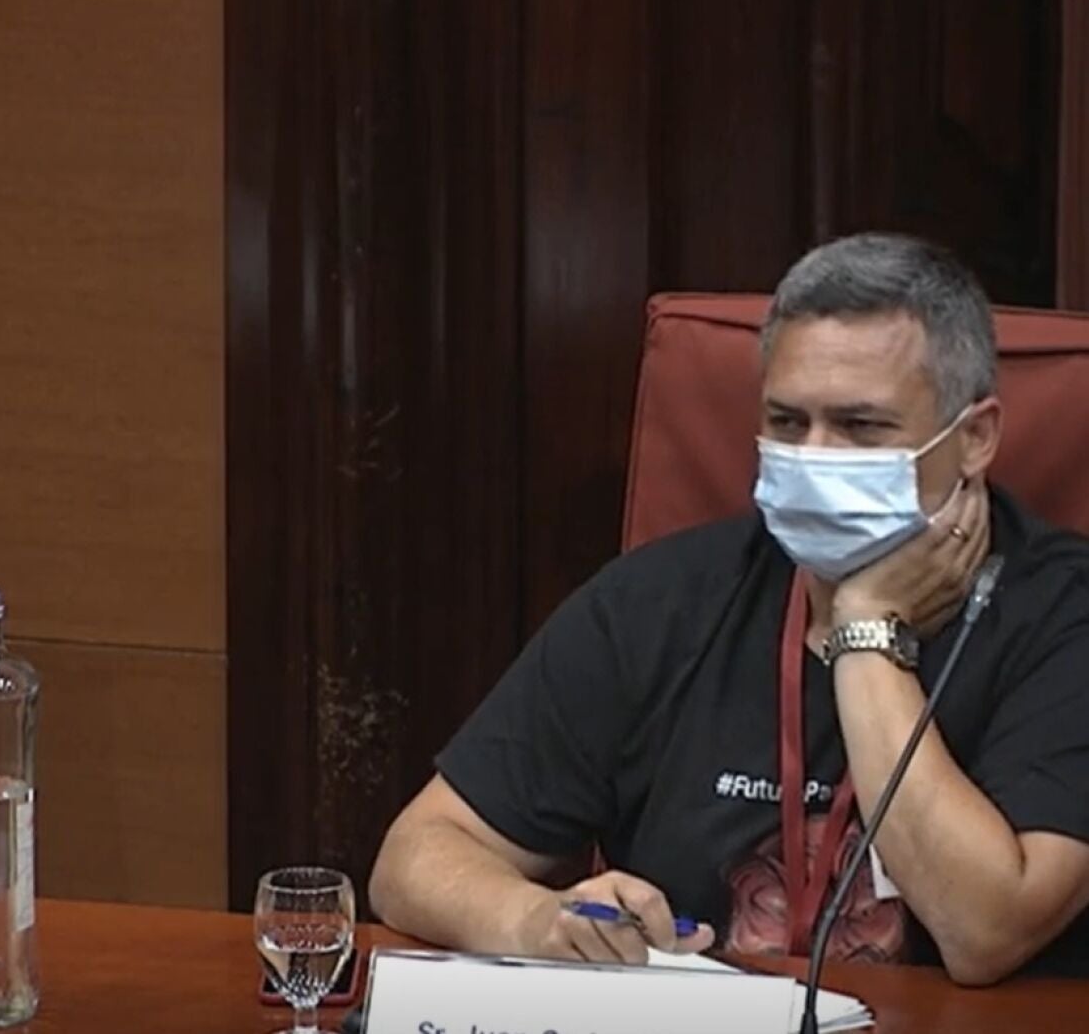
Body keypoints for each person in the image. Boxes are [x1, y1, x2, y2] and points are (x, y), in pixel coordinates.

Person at [369, 233, 1089, 985]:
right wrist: (539, 921)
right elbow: (414, 856)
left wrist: (866, 627)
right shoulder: (659, 601)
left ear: (974, 438)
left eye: (860, 426)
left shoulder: (1065, 616)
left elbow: (985, 932)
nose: (815, 455)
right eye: (787, 422)